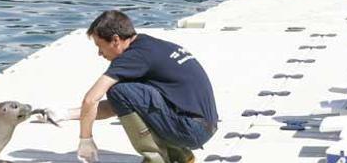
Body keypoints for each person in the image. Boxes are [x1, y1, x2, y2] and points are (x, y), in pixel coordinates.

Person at [41, 10, 218, 163]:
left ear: (116, 40)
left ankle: (156, 159)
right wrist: (65, 114)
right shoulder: (149, 46)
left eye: (100, 46)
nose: (99, 53)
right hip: (201, 126)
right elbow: (120, 106)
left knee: (118, 90)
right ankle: (180, 155)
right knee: (124, 94)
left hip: (191, 129)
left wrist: (85, 139)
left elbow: (91, 98)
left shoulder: (134, 57)